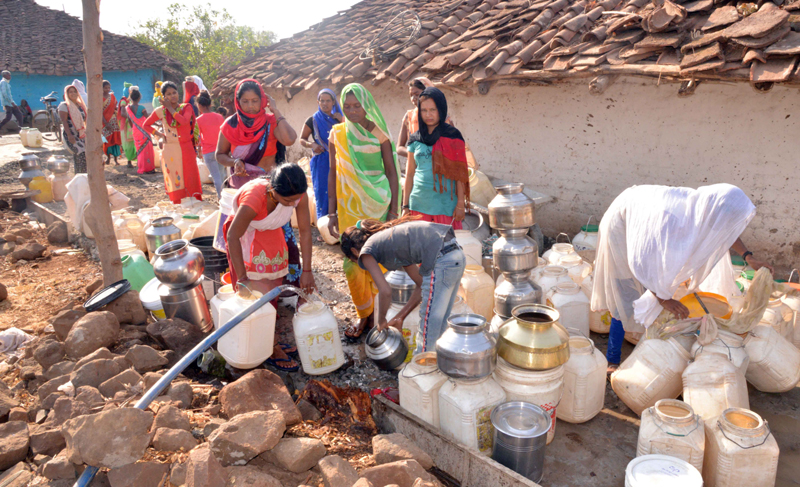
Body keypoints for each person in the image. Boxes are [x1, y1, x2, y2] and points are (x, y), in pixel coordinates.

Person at [592, 183, 774, 372]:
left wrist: (749, 257)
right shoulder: (671, 218)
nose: (725, 224)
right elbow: (640, 259)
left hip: (644, 227)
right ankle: (612, 361)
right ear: (716, 210)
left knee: (654, 290)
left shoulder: (703, 212)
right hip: (622, 224)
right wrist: (663, 299)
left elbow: (727, 232)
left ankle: (646, 350)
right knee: (626, 293)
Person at [224, 163, 316, 371]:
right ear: (272, 190)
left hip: (272, 236)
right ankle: (270, 348)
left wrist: (307, 271)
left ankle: (268, 339)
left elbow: (305, 232)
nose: (293, 204)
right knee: (255, 298)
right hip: (245, 240)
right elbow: (233, 236)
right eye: (287, 201)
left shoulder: (297, 195)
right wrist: (242, 278)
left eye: (295, 200)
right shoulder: (255, 198)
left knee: (271, 292)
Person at [327, 83, 400, 340]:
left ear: (367, 105)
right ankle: (363, 312)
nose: (352, 111)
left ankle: (377, 313)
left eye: (357, 106)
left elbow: (392, 173)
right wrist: (332, 212)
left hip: (378, 207)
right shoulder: (337, 134)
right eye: (347, 107)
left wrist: (393, 212)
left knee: (376, 260)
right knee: (352, 264)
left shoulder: (380, 134)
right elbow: (333, 173)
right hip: (349, 208)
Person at [341, 217, 465, 352]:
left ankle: (421, 369)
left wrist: (381, 320)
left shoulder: (366, 252)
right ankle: (435, 366)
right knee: (438, 324)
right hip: (456, 256)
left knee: (427, 332)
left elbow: (385, 291)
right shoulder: (393, 241)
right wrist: (400, 317)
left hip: (442, 260)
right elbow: (421, 284)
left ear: (354, 251)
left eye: (354, 260)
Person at [401, 87, 468, 230]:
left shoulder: (453, 136)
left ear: (441, 109)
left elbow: (459, 175)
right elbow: (410, 174)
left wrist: (460, 203)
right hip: (418, 204)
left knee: (447, 249)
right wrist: (405, 206)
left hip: (445, 206)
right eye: (424, 110)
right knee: (421, 248)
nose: (428, 115)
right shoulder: (415, 138)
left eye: (433, 109)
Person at [215, 79, 297, 189]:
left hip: (269, 186)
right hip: (241, 186)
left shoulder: (271, 121)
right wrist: (235, 162)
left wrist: (276, 110)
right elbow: (220, 155)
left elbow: (290, 140)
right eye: (245, 101)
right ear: (238, 101)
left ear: (262, 100)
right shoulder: (230, 125)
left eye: (255, 101)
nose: (250, 106)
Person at [143, 81, 202, 203]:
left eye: (174, 92)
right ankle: (178, 203)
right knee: (175, 177)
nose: (172, 96)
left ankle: (194, 203)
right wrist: (159, 135)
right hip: (170, 149)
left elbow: (184, 121)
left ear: (178, 93)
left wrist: (169, 108)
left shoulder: (186, 107)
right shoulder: (161, 111)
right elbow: (146, 125)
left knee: (190, 176)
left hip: (186, 147)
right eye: (169, 94)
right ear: (164, 97)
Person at [299, 88, 342, 220]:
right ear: (318, 102)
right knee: (323, 192)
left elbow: (352, 135)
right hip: (322, 162)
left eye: (328, 100)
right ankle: (324, 226)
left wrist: (343, 120)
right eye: (322, 100)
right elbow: (302, 139)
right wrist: (312, 145)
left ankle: (343, 225)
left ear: (333, 102)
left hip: (341, 160)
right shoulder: (313, 120)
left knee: (341, 191)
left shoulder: (340, 119)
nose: (325, 103)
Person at [396, 77, 453, 159]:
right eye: (411, 95)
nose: (413, 99)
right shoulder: (409, 117)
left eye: (417, 94)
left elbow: (454, 145)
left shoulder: (443, 118)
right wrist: (416, 153)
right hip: (416, 168)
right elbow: (399, 147)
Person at [196, 91, 225, 197]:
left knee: (216, 178)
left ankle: (221, 199)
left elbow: (197, 138)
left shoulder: (198, 120)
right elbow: (224, 134)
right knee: (221, 176)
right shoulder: (219, 117)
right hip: (221, 150)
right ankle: (225, 198)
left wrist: (198, 151)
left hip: (208, 152)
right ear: (210, 104)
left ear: (199, 105)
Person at [125, 86, 156, 174]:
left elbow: (129, 120)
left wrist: (134, 128)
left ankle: (142, 168)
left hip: (135, 131)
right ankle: (149, 168)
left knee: (139, 150)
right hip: (144, 131)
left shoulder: (128, 108)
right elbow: (148, 119)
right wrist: (156, 123)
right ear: (139, 98)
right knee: (147, 148)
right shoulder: (142, 108)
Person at [57, 85, 87, 173]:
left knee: (84, 156)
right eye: (70, 92)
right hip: (71, 134)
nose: (73, 93)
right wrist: (70, 135)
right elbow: (64, 121)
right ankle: (79, 176)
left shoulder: (80, 105)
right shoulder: (64, 105)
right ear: (66, 94)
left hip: (81, 134)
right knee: (80, 153)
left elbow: (85, 119)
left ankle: (82, 177)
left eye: (75, 91)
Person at [102, 80, 122, 165]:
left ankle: (116, 159)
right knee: (107, 140)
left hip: (114, 121)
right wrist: (106, 123)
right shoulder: (99, 98)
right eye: (105, 88)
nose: (107, 89)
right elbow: (100, 112)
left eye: (108, 87)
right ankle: (108, 158)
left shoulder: (112, 97)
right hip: (105, 122)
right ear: (102, 88)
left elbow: (115, 107)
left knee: (115, 139)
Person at [118, 83, 137, 167]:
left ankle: (133, 159)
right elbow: (122, 113)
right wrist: (131, 117)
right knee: (127, 143)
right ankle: (129, 161)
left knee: (133, 142)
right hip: (125, 125)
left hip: (130, 124)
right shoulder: (123, 100)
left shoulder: (129, 101)